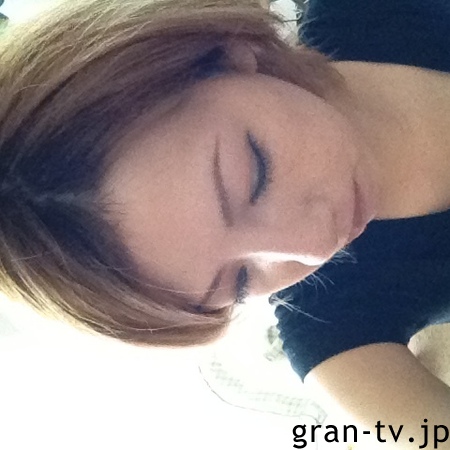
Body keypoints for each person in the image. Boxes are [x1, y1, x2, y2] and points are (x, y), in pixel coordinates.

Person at [0, 0, 449, 447]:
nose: (313, 245)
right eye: (240, 282)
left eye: (256, 176)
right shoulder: (340, 342)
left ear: (233, 54)